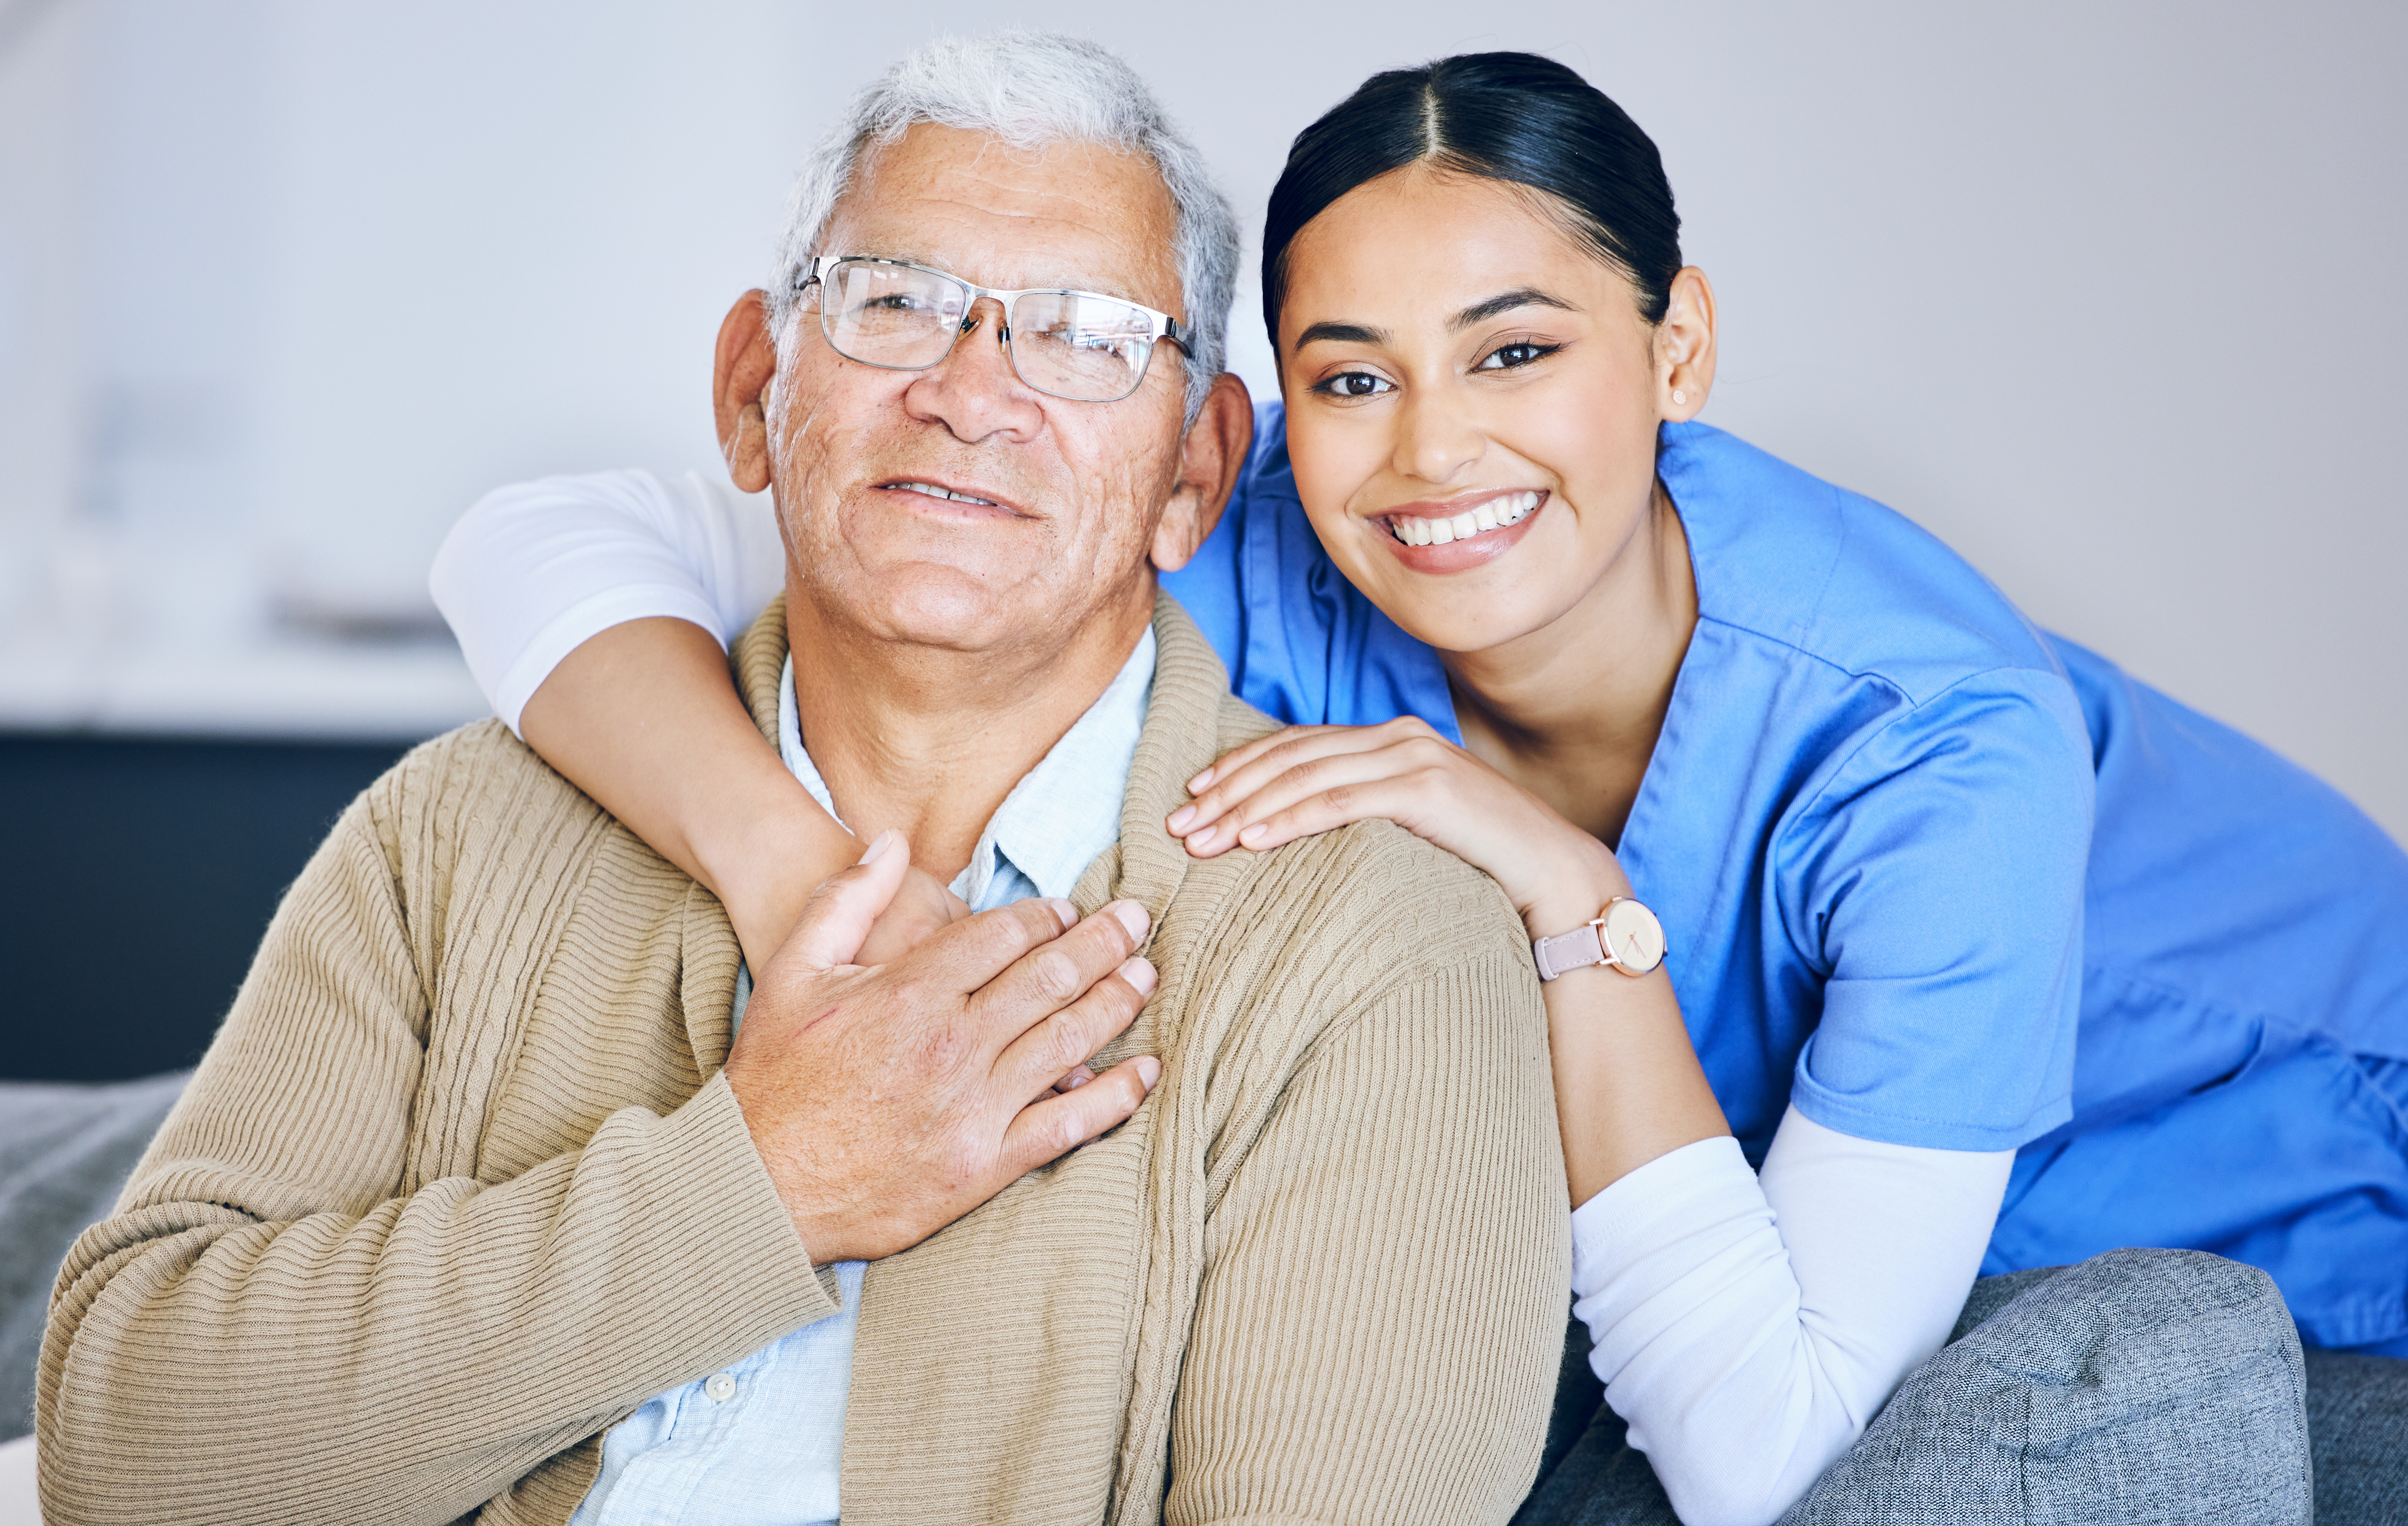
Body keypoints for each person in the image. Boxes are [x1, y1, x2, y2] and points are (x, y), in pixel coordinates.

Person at [429, 46, 2406, 1526]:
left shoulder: (1930, 748)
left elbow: (1758, 1448)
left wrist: (1566, 902)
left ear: (1677, 346)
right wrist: (792, 878)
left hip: (2275, 1164)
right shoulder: (1266, 531)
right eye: (1351, 375)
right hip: (1724, 1214)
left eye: (1517, 350)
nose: (1432, 454)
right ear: (1265, 410)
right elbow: (552, 539)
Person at [34, 37, 1578, 1526]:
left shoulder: (1375, 943)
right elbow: (128, 1452)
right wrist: (763, 1185)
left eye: (1088, 335)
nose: (974, 393)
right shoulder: (460, 830)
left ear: (1191, 471)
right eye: (896, 302)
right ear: (750, 393)